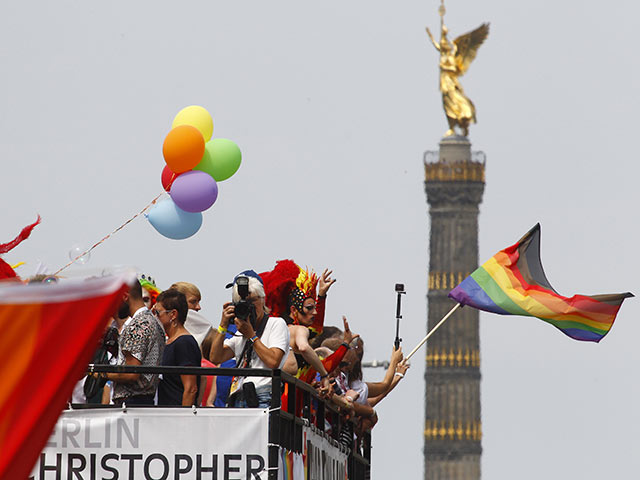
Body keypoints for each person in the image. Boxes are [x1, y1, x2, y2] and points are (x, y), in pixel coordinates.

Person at [209, 270, 289, 408]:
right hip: (237, 396)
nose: (249, 306)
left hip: (262, 397)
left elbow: (273, 361)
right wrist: (223, 326)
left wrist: (252, 335)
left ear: (263, 299)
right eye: (242, 303)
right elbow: (216, 357)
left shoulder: (276, 324)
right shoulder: (241, 331)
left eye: (252, 300)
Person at [102, 280, 165, 406]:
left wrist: (102, 374)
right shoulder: (154, 321)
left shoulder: (138, 325)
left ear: (125, 297)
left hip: (131, 402)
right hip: (143, 401)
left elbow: (131, 373)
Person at [155, 289, 201, 406]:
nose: (155, 317)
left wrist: (182, 419)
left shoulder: (184, 343)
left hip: (176, 415)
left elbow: (191, 388)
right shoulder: (167, 342)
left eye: (158, 313)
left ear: (173, 314)